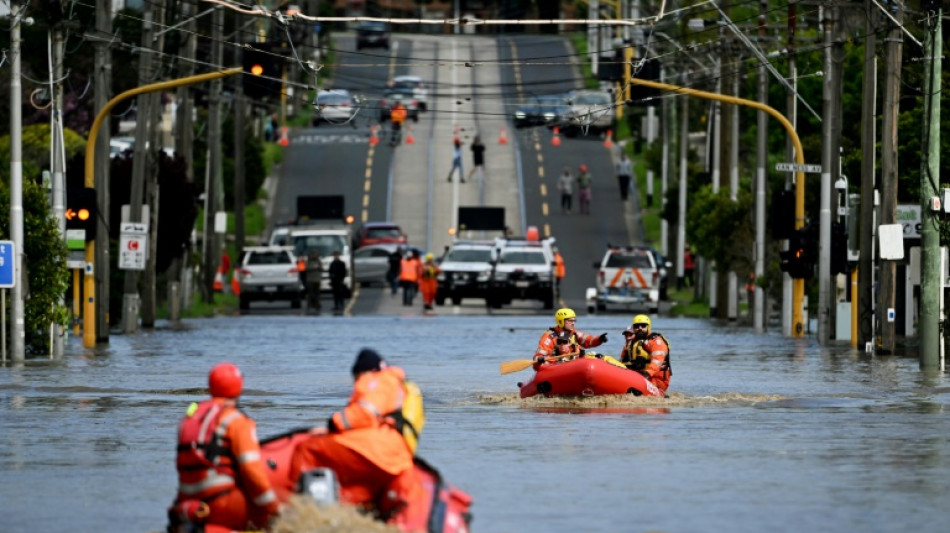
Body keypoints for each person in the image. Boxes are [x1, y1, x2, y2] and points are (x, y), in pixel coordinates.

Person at [289, 349, 421, 521]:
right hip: (396, 458)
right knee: (359, 492)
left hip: (377, 450)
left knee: (307, 448)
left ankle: (295, 509)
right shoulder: (398, 385)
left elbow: (365, 412)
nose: (356, 383)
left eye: (355, 378)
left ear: (363, 372)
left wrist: (332, 425)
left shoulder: (378, 380)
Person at [170, 363, 280, 531]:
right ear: (239, 386)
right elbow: (252, 470)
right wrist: (272, 508)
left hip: (186, 504)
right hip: (220, 502)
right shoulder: (235, 420)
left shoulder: (189, 419)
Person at [534, 308, 607, 369]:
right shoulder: (549, 337)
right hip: (556, 367)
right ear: (560, 321)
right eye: (570, 321)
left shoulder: (574, 333)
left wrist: (599, 339)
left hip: (574, 365)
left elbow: (588, 340)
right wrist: (539, 359)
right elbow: (538, 356)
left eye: (574, 320)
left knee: (602, 358)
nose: (573, 323)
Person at [619, 314, 671, 393]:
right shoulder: (630, 344)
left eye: (643, 326)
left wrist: (647, 374)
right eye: (637, 326)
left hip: (656, 379)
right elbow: (621, 363)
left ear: (648, 327)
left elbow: (657, 361)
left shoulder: (656, 341)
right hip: (638, 376)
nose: (640, 328)